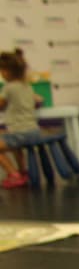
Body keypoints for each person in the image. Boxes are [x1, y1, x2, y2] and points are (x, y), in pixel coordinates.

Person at [0, 48, 42, 188]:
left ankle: (13, 174)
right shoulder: (27, 86)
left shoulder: (8, 87)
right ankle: (22, 171)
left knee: (9, 141)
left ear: (7, 71)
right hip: (33, 131)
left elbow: (1, 104)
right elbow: (37, 101)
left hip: (19, 132)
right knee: (12, 142)